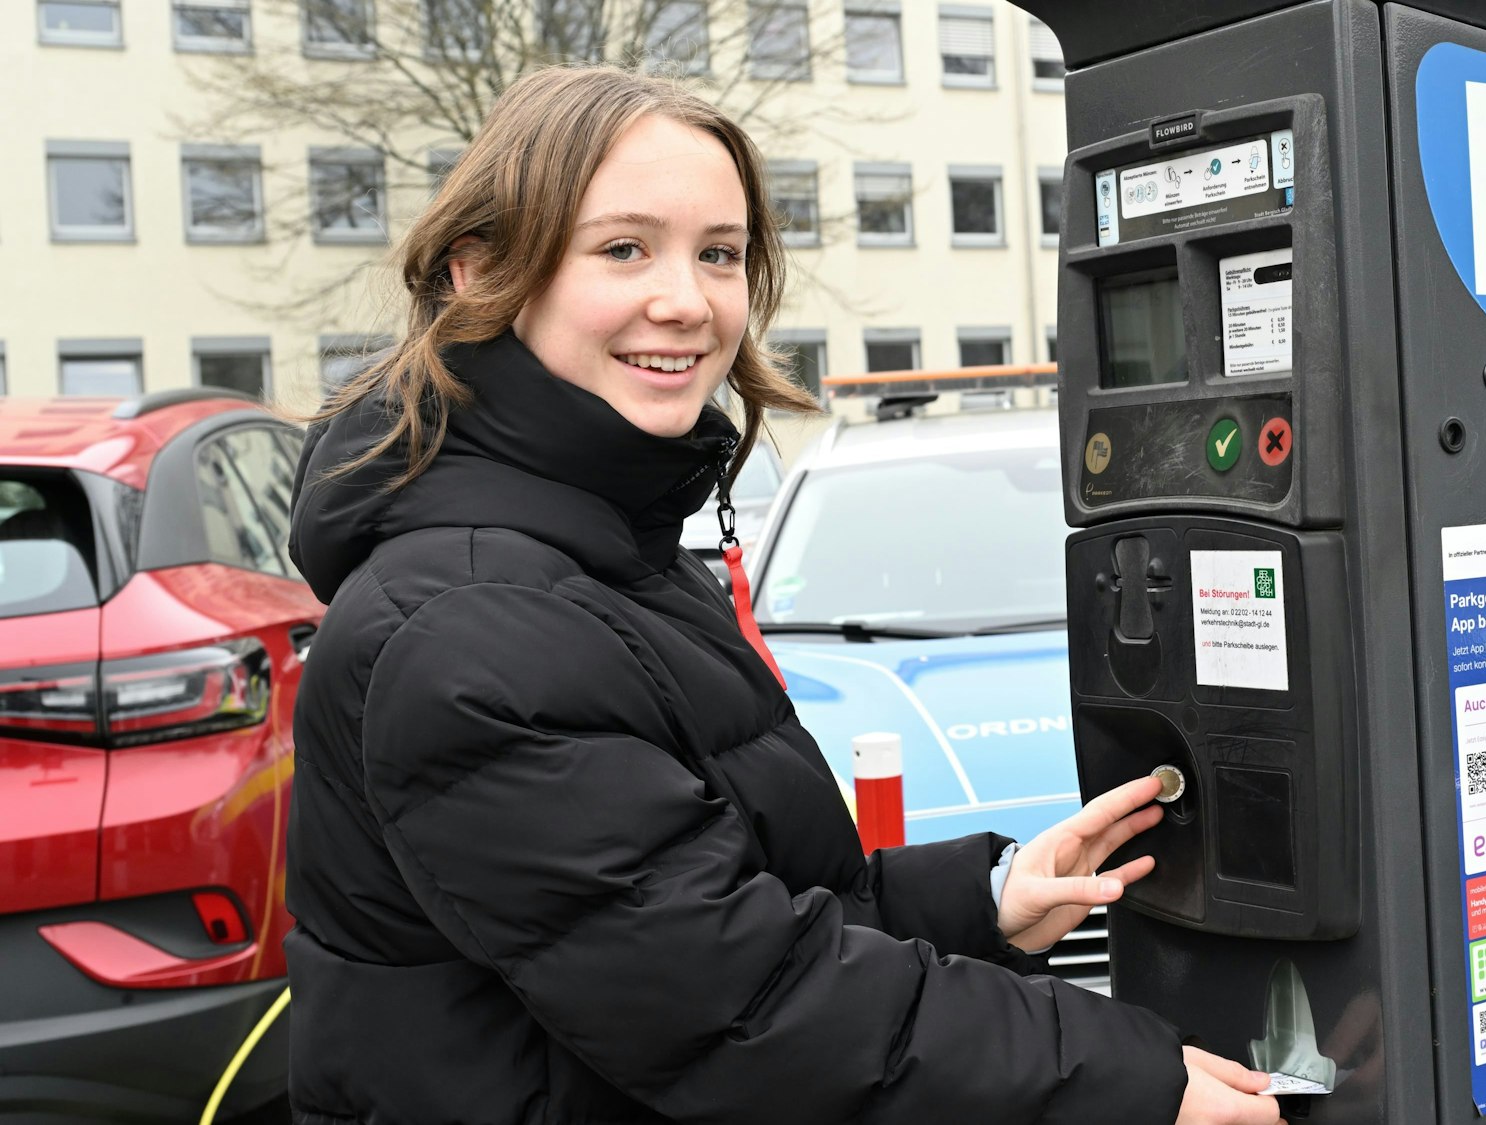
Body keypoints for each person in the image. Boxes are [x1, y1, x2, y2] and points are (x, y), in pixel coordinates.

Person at [283, 64, 1282, 1125]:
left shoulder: (604, 553)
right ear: (481, 271)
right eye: (623, 248)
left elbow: (735, 906)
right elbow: (733, 1006)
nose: (687, 301)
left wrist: (988, 897)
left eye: (718, 253)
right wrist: (1129, 1081)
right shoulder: (471, 623)